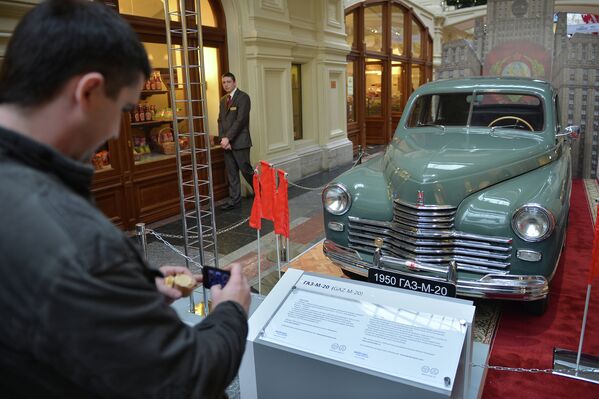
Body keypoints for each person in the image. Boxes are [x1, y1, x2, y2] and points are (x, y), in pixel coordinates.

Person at [0, 1, 251, 398]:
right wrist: (231, 311)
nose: (117, 132)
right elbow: (187, 377)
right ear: (89, 91)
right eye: (123, 108)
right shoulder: (77, 240)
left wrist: (132, 287)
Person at [217, 72, 254, 210]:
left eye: (228, 82)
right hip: (227, 144)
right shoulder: (223, 100)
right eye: (224, 82)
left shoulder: (243, 97)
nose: (226, 85)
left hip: (240, 142)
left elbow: (240, 121)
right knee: (232, 173)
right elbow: (220, 120)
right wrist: (223, 139)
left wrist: (228, 138)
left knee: (246, 171)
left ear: (235, 83)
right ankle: (234, 200)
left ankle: (262, 194)